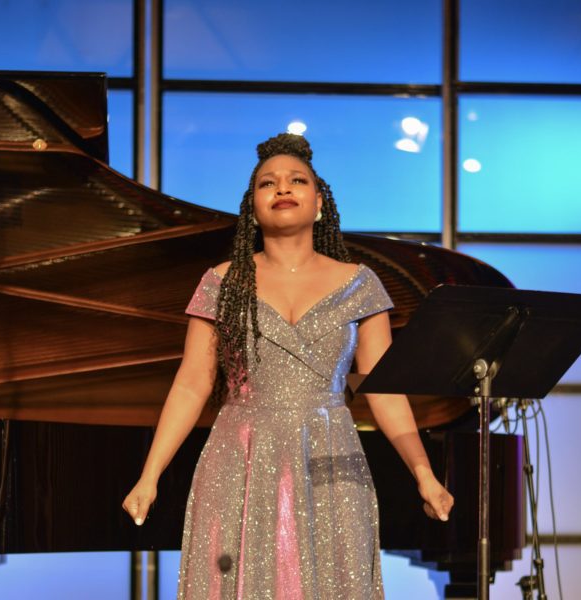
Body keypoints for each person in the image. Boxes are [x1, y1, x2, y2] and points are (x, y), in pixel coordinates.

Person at [122, 133, 454, 599]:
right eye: (267, 183)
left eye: (297, 180)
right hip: (241, 455)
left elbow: (382, 388)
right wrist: (150, 474)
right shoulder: (222, 282)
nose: (282, 188)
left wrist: (424, 473)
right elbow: (193, 383)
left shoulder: (360, 284)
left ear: (319, 203)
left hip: (330, 455)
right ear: (252, 208)